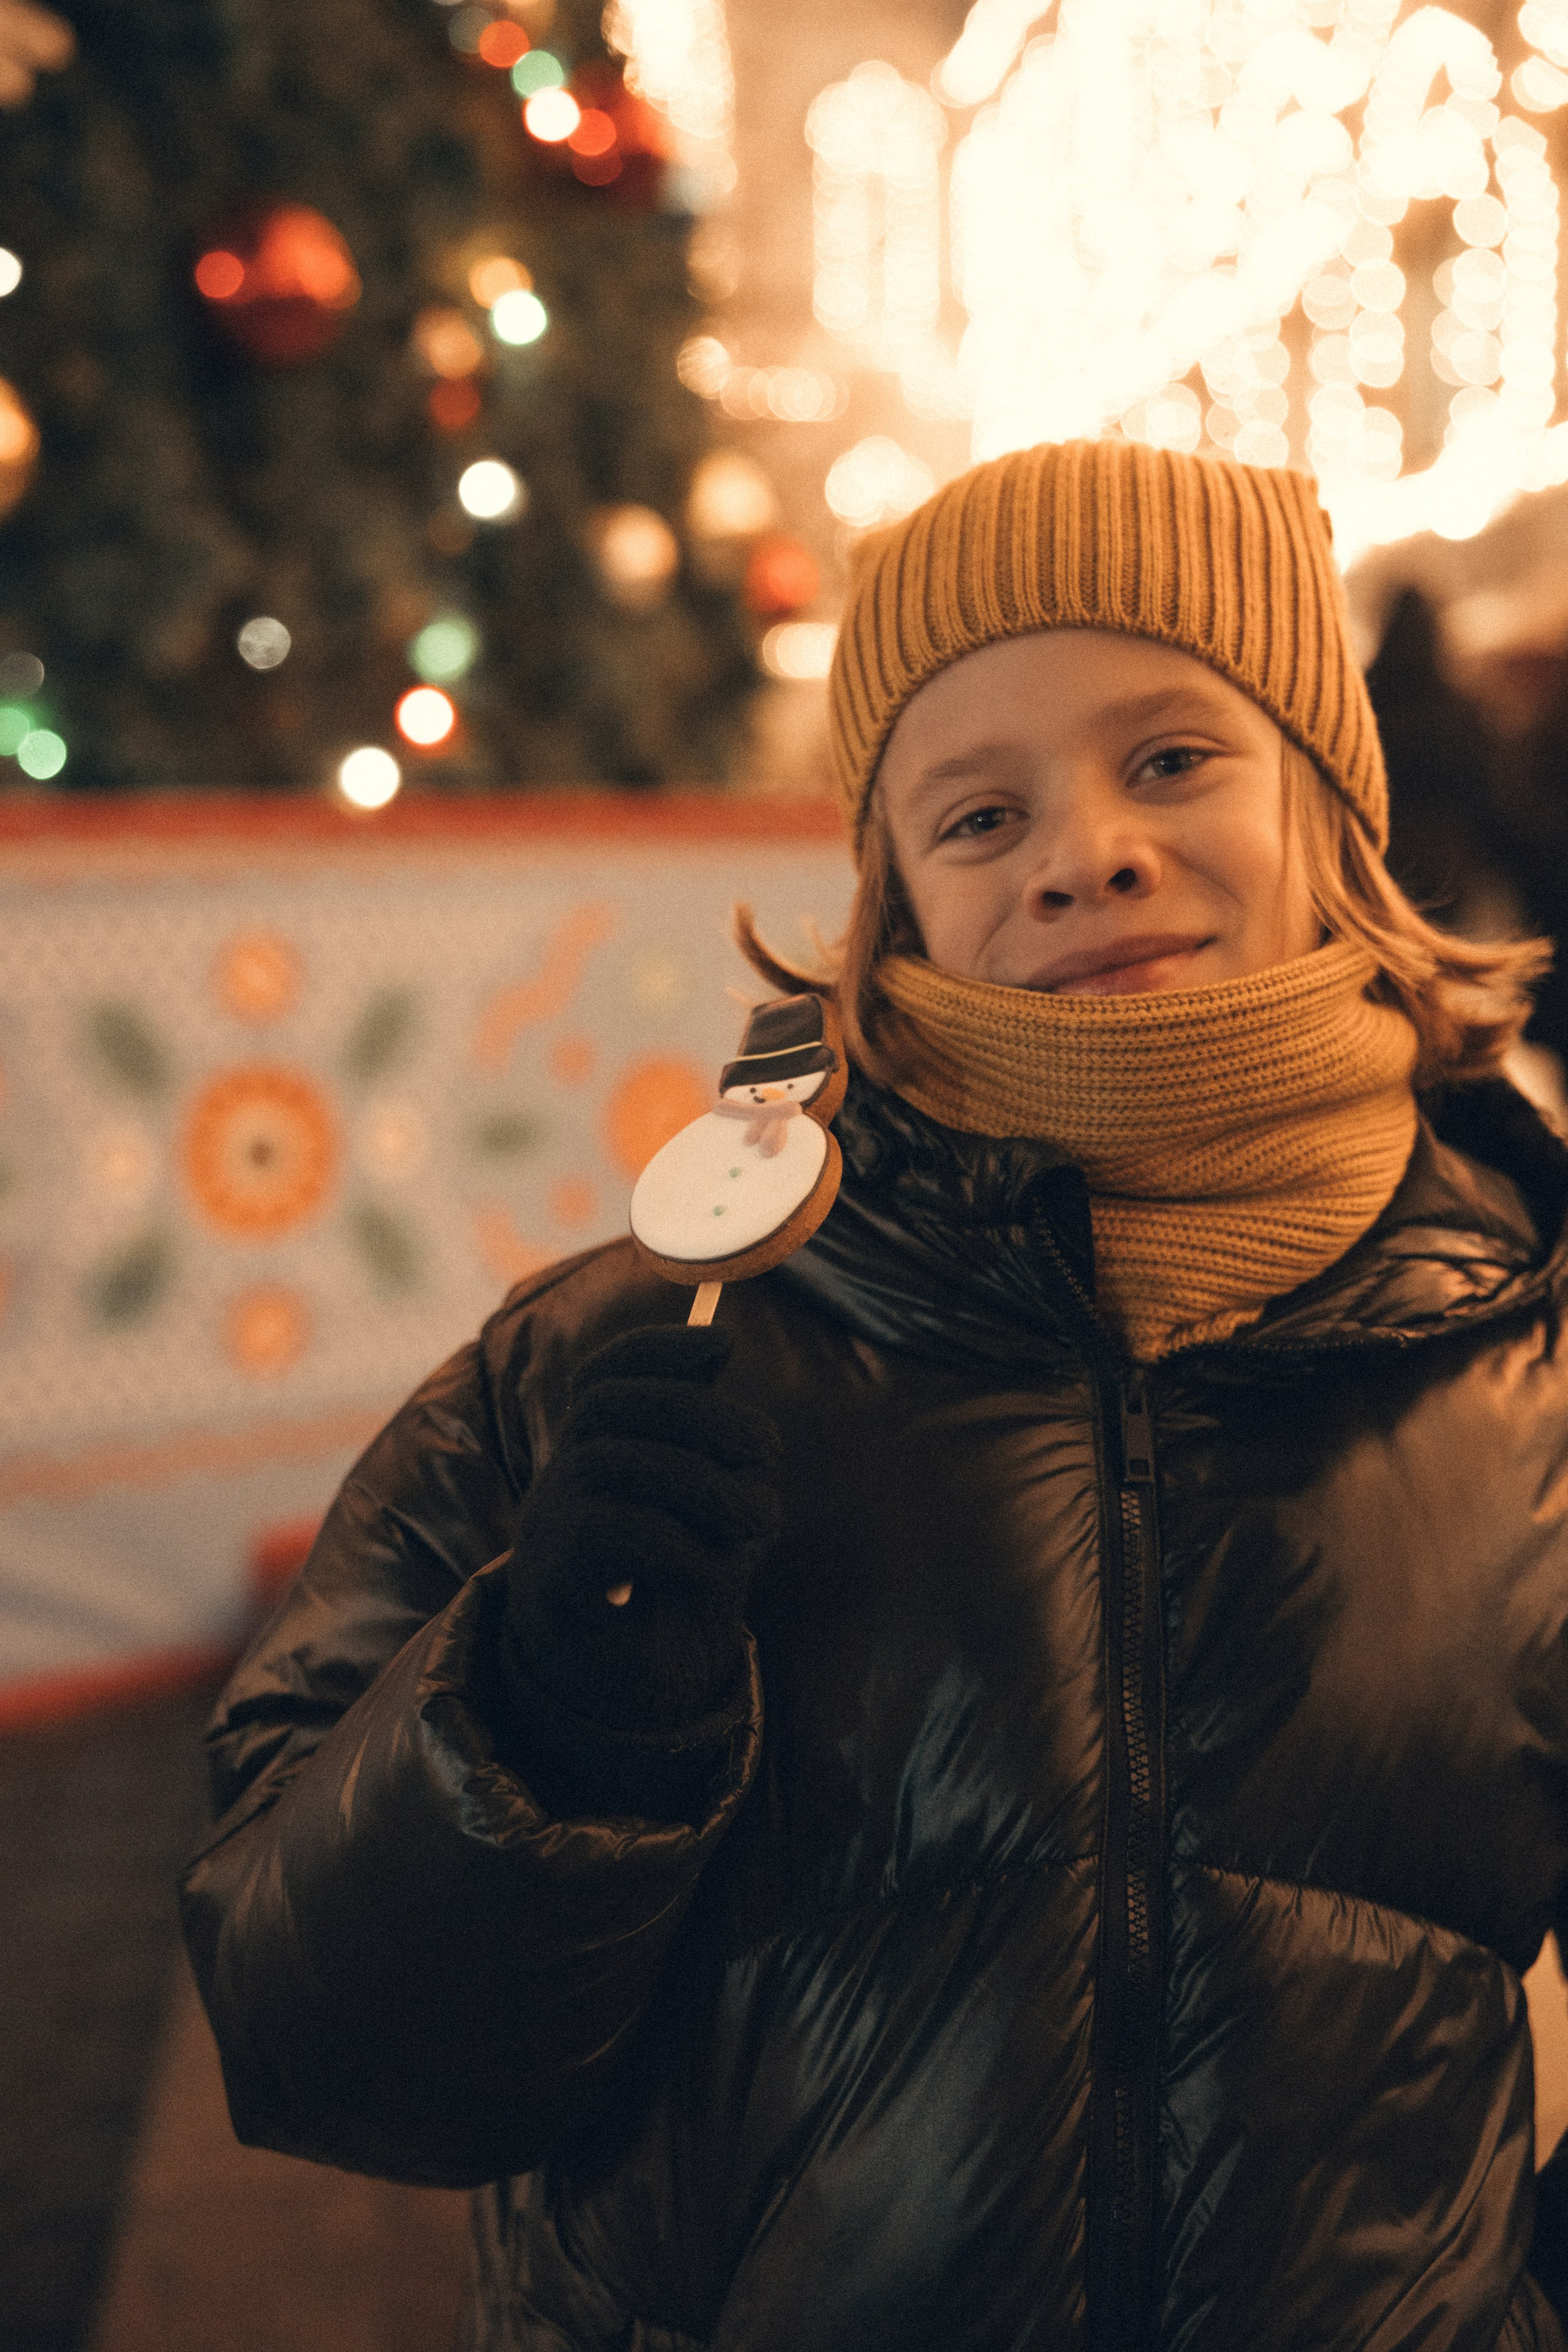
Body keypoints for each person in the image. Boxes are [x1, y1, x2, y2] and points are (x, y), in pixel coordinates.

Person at [183, 439, 1568, 2351]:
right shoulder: (632, 1358)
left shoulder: (1528, 1363)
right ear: (893, 892)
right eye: (980, 816)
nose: (1086, 850)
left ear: (1330, 799)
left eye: (1173, 758)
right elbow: (323, 2041)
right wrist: (540, 1735)